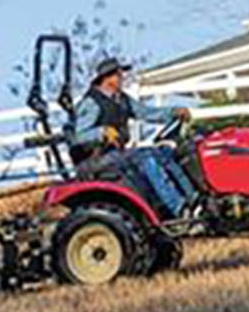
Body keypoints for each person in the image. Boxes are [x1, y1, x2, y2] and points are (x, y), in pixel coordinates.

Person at [68, 55, 197, 220]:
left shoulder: (121, 99)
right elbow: (77, 136)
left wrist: (173, 112)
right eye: (118, 74)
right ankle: (179, 210)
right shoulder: (92, 103)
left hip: (115, 155)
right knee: (145, 157)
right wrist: (101, 132)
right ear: (107, 78)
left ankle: (193, 199)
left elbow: (145, 112)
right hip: (95, 160)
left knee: (163, 152)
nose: (122, 77)